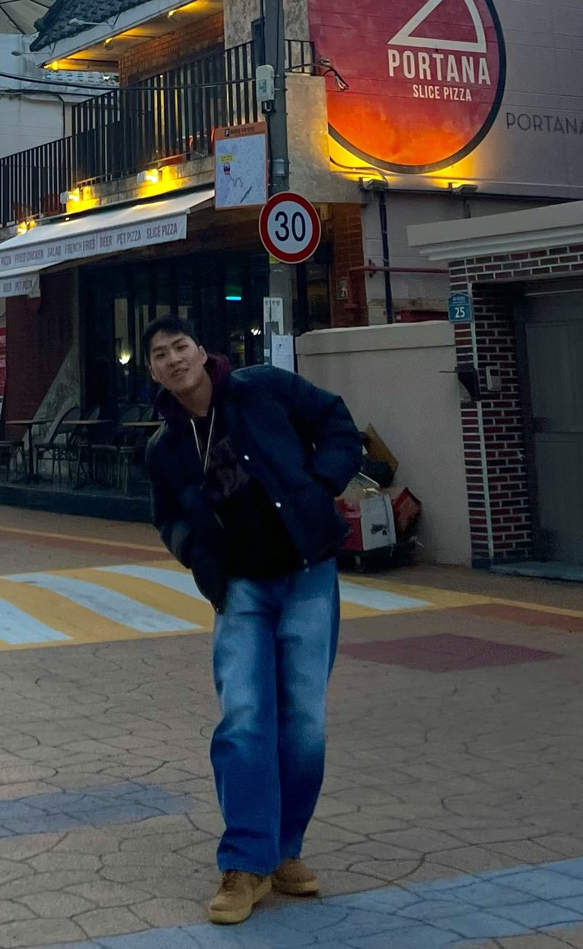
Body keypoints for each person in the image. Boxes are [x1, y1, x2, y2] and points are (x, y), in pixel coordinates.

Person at [142, 314, 363, 926]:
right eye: (160, 354)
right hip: (240, 591)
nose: (173, 359)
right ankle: (244, 863)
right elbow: (170, 521)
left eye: (180, 346)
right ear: (154, 371)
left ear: (202, 349)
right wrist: (202, 560)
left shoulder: (264, 388)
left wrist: (321, 484)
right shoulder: (164, 448)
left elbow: (337, 421)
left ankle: (283, 852)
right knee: (243, 719)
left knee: (304, 724)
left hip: (307, 576)